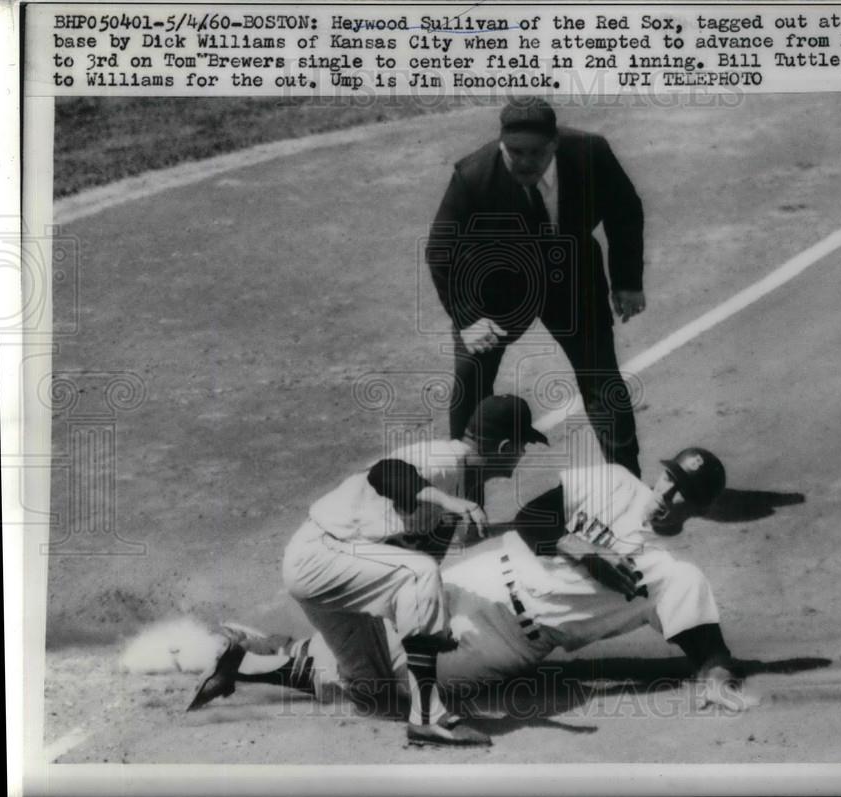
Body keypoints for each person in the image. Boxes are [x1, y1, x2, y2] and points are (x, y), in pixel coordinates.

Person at [183, 448, 755, 720]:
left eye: (682, 493)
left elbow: (706, 644)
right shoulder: (612, 482)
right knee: (377, 630)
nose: (667, 494)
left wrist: (715, 677)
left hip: (505, 639)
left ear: (701, 508)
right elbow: (534, 517)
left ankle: (254, 660)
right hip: (481, 576)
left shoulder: (671, 573)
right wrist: (575, 544)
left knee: (385, 689)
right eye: (668, 478)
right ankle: (269, 654)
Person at [188, 394, 548, 748]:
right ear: (504, 446)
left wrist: (515, 528)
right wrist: (447, 501)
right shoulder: (443, 461)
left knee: (376, 696)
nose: (524, 453)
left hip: (338, 567)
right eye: (523, 444)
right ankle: (428, 720)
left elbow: (453, 540)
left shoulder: (461, 481)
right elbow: (385, 473)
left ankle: (239, 663)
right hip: (320, 556)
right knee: (417, 573)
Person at [426, 97, 646, 476]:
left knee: (602, 378)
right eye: (514, 152)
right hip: (495, 287)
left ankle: (626, 482)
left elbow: (625, 211)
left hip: (572, 275)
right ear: (500, 145)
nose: (525, 162)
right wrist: (468, 318)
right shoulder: (474, 176)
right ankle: (462, 495)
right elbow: (440, 250)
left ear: (555, 144)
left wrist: (627, 281)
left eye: (535, 153)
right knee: (470, 378)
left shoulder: (591, 153)